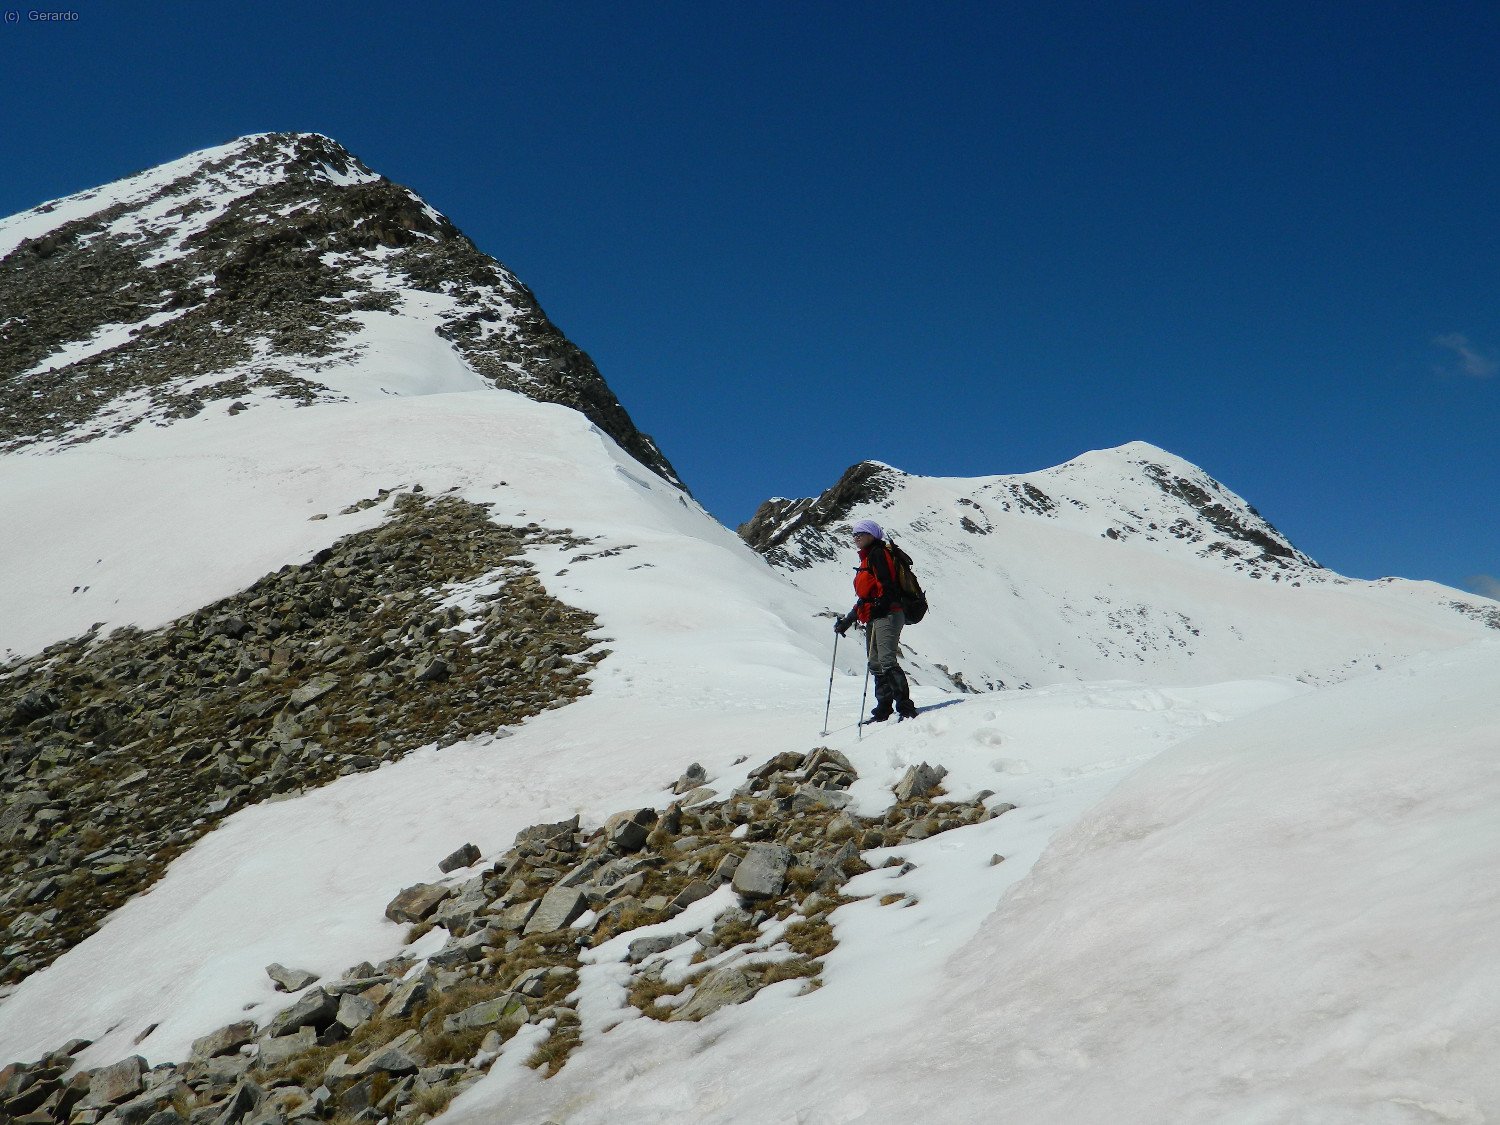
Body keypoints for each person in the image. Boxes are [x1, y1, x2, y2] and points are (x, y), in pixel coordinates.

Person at [834, 519, 917, 722]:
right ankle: (884, 709)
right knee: (875, 663)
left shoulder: (878, 554)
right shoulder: (867, 557)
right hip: (875, 614)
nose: (856, 537)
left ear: (871, 535)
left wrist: (880, 606)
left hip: (888, 613)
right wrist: (848, 620)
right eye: (854, 534)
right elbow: (866, 598)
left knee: (886, 660)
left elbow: (888, 586)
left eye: (860, 533)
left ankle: (905, 709)